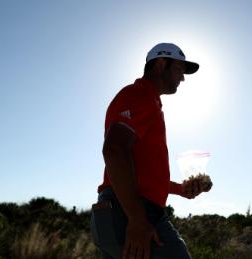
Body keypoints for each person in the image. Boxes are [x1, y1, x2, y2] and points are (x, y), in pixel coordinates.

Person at [91, 43, 212, 259]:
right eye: (178, 69)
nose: (182, 78)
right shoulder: (139, 95)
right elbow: (114, 150)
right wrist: (137, 220)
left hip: (124, 211)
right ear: (160, 64)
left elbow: (142, 174)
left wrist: (180, 190)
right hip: (131, 212)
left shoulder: (149, 101)